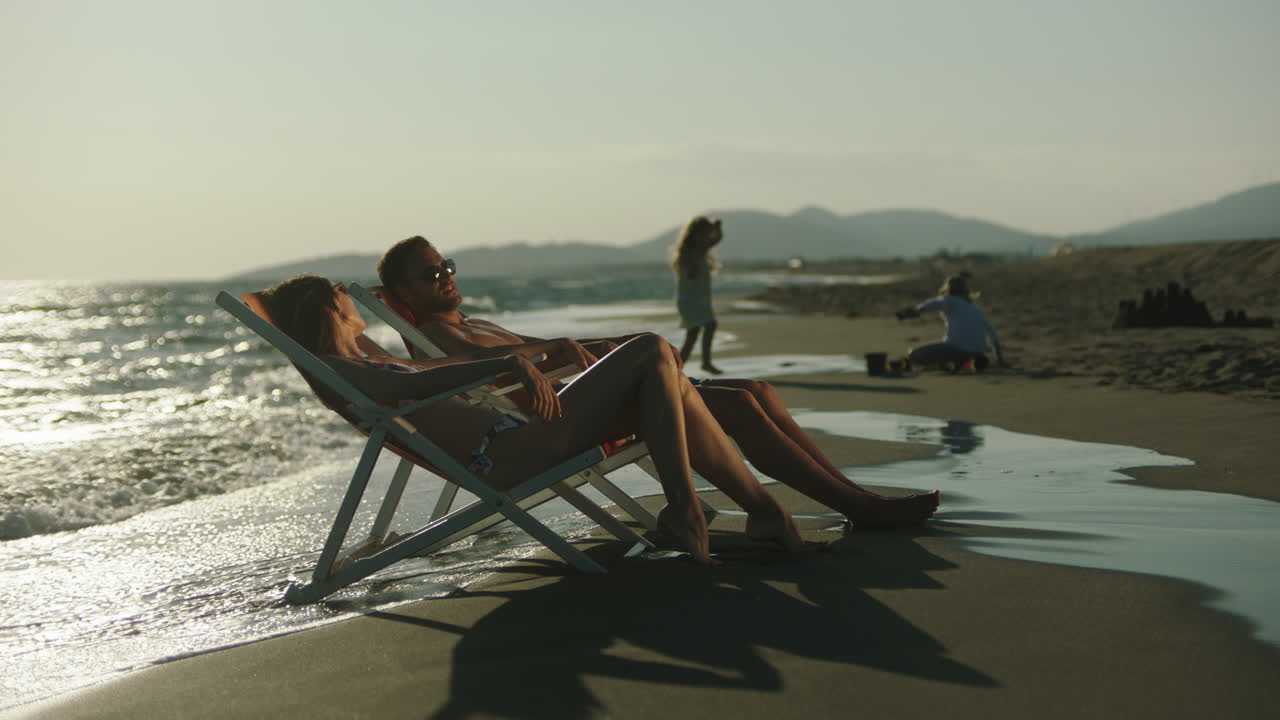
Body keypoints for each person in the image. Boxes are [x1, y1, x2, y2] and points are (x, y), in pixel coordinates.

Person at [374, 235, 941, 531]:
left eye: (447, 265)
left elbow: (543, 357)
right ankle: (856, 507)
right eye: (431, 274)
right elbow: (501, 371)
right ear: (407, 295)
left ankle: (855, 497)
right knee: (740, 404)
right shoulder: (439, 336)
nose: (446, 277)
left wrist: (600, 346)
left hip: (587, 397)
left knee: (757, 391)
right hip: (565, 420)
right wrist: (564, 350)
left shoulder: (466, 321)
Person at [264, 273, 813, 566]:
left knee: (663, 374)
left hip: (520, 438)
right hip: (508, 456)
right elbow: (408, 384)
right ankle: (690, 512)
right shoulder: (346, 367)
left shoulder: (366, 359)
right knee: (650, 349)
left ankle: (758, 514)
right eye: (343, 294)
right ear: (331, 310)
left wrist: (523, 358)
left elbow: (445, 365)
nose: (351, 300)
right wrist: (507, 363)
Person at [897, 274, 1005, 370]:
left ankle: (950, 364)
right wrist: (1000, 359)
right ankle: (967, 363)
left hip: (955, 348)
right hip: (978, 351)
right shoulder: (975, 308)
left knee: (913, 354)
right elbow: (993, 334)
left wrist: (908, 314)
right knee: (952, 352)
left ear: (947, 288)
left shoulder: (948, 301)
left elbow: (926, 307)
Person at [672, 216, 724, 374]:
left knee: (697, 332)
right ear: (695, 234)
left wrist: (717, 229)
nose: (707, 238)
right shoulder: (688, 252)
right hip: (690, 300)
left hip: (700, 299)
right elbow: (690, 273)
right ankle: (685, 366)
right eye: (704, 234)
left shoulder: (701, 250)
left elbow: (717, 240)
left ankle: (679, 368)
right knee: (697, 332)